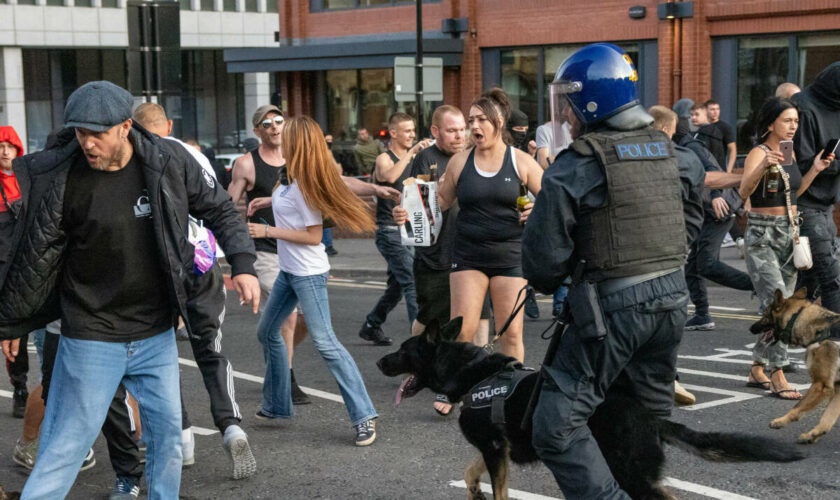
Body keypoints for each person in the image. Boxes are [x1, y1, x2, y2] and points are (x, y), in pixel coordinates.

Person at [0, 81, 260, 499]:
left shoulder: (166, 160)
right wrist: (11, 318)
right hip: (90, 335)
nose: (86, 142)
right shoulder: (59, 175)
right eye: (80, 132)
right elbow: (21, 248)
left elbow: (219, 209)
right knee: (65, 448)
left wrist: (243, 264)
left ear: (125, 127)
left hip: (155, 333)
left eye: (96, 133)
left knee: (169, 444)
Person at [524, 43, 693, 498]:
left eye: (570, 101)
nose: (566, 114)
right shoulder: (668, 149)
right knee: (638, 421)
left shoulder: (577, 164)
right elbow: (691, 219)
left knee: (555, 427)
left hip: (614, 309)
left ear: (591, 100)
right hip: (673, 301)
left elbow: (542, 267)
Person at [132, 102, 256, 479]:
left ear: (131, 129)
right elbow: (220, 206)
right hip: (201, 261)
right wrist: (241, 264)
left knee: (161, 356)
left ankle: (182, 439)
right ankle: (231, 424)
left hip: (157, 269)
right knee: (210, 349)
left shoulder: (137, 158)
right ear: (168, 124)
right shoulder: (191, 154)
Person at [245, 116, 380, 446]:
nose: (279, 136)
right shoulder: (287, 175)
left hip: (307, 272)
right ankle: (278, 406)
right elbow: (285, 202)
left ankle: (364, 416)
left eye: (285, 133)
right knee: (267, 332)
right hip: (289, 272)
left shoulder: (306, 183)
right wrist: (267, 201)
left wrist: (267, 230)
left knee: (326, 343)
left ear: (297, 142)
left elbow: (313, 236)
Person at [391, 104, 489, 416]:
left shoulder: (479, 155)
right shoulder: (425, 158)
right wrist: (401, 214)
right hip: (434, 254)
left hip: (472, 251)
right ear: (435, 132)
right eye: (452, 130)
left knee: (478, 316)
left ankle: (474, 375)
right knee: (429, 316)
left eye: (462, 128)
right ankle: (416, 361)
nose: (460, 135)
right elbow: (411, 200)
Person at [438, 88, 543, 362]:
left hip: (510, 257)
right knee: (462, 332)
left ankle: (511, 393)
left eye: (481, 120)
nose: (474, 126)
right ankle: (454, 391)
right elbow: (440, 203)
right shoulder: (459, 162)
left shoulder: (521, 161)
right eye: (471, 120)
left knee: (510, 334)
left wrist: (537, 209)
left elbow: (554, 202)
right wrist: (408, 209)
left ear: (499, 122)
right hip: (468, 256)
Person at [738, 96, 833, 400]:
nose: (793, 126)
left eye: (795, 121)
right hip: (762, 236)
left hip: (788, 233)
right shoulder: (758, 152)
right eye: (787, 121)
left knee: (777, 305)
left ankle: (757, 367)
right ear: (770, 124)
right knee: (781, 308)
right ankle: (778, 373)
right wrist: (761, 167)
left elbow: (794, 191)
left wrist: (815, 169)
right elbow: (743, 191)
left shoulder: (789, 150)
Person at [228, 105, 312, 405]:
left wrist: (374, 189)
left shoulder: (298, 158)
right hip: (264, 253)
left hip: (300, 249)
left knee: (303, 320)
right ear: (257, 131)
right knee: (288, 317)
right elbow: (225, 207)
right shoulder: (246, 164)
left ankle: (275, 357)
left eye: (279, 121)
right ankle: (286, 379)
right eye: (267, 123)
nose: (275, 127)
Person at [358, 113, 431, 346]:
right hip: (390, 231)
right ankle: (419, 344)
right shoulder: (384, 158)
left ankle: (372, 324)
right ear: (393, 133)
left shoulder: (416, 159)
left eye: (413, 130)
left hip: (412, 228)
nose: (412, 134)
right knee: (411, 282)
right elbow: (389, 176)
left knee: (397, 286)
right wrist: (411, 153)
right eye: (407, 130)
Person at [791, 63, 840, 338]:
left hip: (826, 203)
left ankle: (772, 350)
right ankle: (835, 348)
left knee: (809, 283)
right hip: (805, 204)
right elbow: (805, 163)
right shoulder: (804, 108)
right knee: (833, 279)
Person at [0, 126, 29, 418]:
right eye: (0, 146)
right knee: (13, 331)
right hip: (3, 268)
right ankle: (19, 387)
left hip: (30, 262)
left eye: (10, 145)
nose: (6, 151)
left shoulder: (28, 178)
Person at [704, 99, 737, 173]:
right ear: (706, 111)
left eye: (717, 109)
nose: (715, 112)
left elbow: (732, 149)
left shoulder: (725, 127)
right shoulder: (702, 127)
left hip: (720, 168)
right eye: (712, 109)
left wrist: (729, 169)